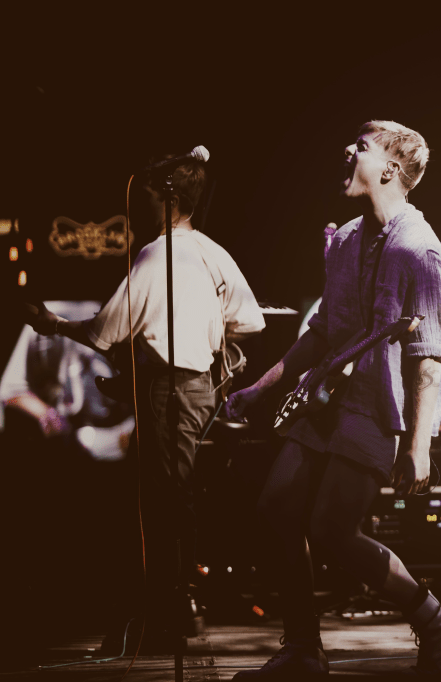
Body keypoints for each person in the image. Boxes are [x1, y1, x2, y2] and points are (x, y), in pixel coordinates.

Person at [225, 121, 441, 679]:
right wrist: (258, 390)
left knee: (332, 530)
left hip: (373, 408)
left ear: (389, 169)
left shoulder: (420, 249)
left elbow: (430, 357)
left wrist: (418, 446)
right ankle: (302, 649)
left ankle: (439, 621)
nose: (347, 150)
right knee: (276, 508)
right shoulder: (343, 239)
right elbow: (322, 331)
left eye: (361, 147)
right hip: (322, 401)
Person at [26, 157, 266, 651]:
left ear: (170, 199)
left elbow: (103, 331)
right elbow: (251, 321)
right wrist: (217, 349)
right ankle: (164, 608)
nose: (139, 207)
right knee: (169, 496)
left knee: (164, 502)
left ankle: (169, 613)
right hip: (196, 389)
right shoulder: (212, 252)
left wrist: (55, 324)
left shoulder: (157, 255)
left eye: (148, 198)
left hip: (168, 391)